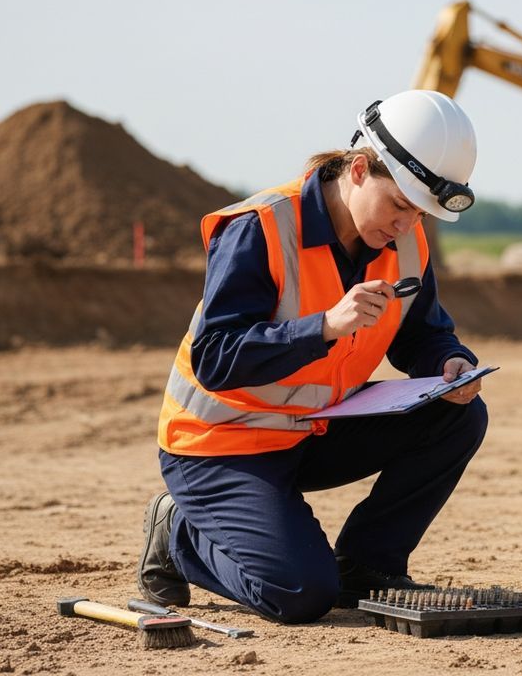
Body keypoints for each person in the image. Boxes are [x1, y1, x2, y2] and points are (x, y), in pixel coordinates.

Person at [138, 90, 487, 624]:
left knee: (458, 414)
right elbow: (215, 359)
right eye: (399, 205)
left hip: (313, 430)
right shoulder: (260, 227)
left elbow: (423, 335)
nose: (405, 225)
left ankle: (367, 565)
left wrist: (449, 363)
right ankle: (179, 533)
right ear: (358, 169)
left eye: (419, 213)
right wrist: (322, 327)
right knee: (300, 593)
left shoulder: (406, 243)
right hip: (221, 444)